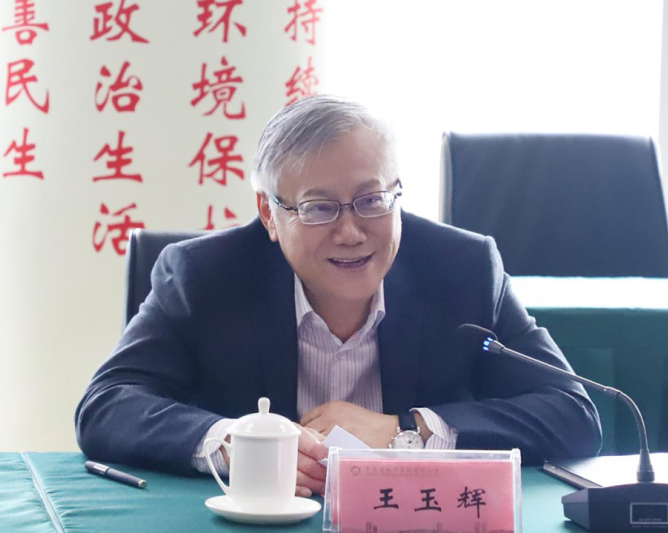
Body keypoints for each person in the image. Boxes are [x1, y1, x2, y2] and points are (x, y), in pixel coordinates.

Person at [75, 95, 601, 497]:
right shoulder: (205, 276)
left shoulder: (462, 269)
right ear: (269, 214)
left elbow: (573, 413)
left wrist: (406, 433)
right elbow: (107, 404)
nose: (351, 233)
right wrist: (232, 442)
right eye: (318, 208)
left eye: (372, 200)